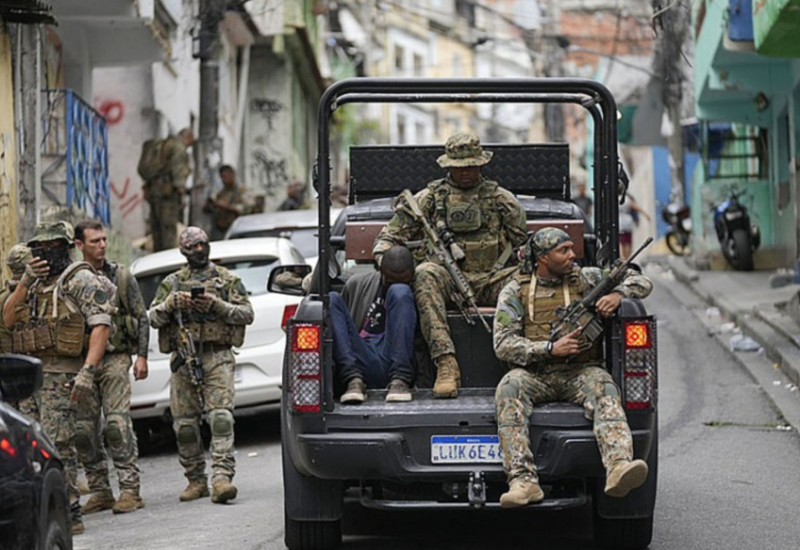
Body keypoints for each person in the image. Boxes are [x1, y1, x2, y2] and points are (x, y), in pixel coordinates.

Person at [492, 227, 653, 507]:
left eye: (571, 248)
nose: (572, 255)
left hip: (580, 372)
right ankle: (523, 481)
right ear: (543, 258)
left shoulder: (587, 278)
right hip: (536, 373)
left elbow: (642, 281)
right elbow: (503, 344)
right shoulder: (516, 290)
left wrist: (619, 294)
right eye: (563, 250)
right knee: (509, 387)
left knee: (604, 387)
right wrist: (549, 349)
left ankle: (618, 466)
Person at [373, 132, 528, 399]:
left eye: (470, 165)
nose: (465, 172)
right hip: (448, 282)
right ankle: (445, 363)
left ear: (481, 164)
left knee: (527, 280)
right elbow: (388, 238)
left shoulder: (502, 199)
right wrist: (386, 262)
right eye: (458, 167)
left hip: (493, 278)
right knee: (424, 274)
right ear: (448, 166)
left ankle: (520, 359)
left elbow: (523, 244)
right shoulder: (429, 198)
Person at [2, 221, 113, 535]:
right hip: (32, 376)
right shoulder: (33, 282)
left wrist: (87, 372)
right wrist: (24, 282)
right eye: (40, 247)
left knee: (58, 444)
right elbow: (8, 319)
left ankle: (70, 512)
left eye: (52, 246)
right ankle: (45, 508)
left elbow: (101, 326)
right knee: (30, 447)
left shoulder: (80, 280)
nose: (45, 253)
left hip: (62, 374)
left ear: (65, 247)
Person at [149, 227, 254, 504]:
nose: (199, 250)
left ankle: (221, 478)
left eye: (202, 245)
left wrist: (217, 305)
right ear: (184, 251)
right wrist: (171, 303)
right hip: (185, 358)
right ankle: (195, 479)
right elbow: (153, 318)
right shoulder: (171, 283)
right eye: (192, 246)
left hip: (217, 356)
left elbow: (247, 313)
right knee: (184, 424)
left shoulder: (226, 280)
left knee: (221, 418)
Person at [73, 220, 149, 515]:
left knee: (117, 425)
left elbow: (141, 316)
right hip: (83, 362)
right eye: (95, 241)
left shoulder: (121, 276)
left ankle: (130, 490)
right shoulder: (72, 280)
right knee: (83, 431)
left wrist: (141, 356)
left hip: (116, 358)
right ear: (80, 245)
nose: (102, 245)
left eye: (104, 239)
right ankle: (100, 490)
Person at [331, 245, 417, 404]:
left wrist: (403, 290)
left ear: (413, 276)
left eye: (405, 281)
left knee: (400, 292)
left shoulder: (417, 291)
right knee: (331, 298)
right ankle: (353, 381)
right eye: (389, 281)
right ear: (381, 274)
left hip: (395, 358)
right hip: (359, 358)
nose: (393, 286)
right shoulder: (358, 283)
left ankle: (400, 379)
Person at [138, 128, 195, 252]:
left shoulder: (161, 145)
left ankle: (157, 255)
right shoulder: (178, 147)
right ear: (188, 137)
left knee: (156, 228)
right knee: (168, 229)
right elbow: (179, 172)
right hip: (168, 195)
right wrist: (182, 193)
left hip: (153, 192)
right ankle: (166, 258)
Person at [204, 165, 255, 240]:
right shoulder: (221, 192)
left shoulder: (243, 190)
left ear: (232, 175)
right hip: (221, 229)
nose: (223, 180)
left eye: (225, 176)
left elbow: (248, 209)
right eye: (222, 177)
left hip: (238, 230)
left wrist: (226, 206)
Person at [619, 194, 651, 260]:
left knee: (621, 242)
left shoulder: (613, 199)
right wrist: (646, 215)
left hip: (619, 223)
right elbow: (637, 208)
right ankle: (626, 258)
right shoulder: (627, 199)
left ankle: (622, 257)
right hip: (627, 223)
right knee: (627, 242)